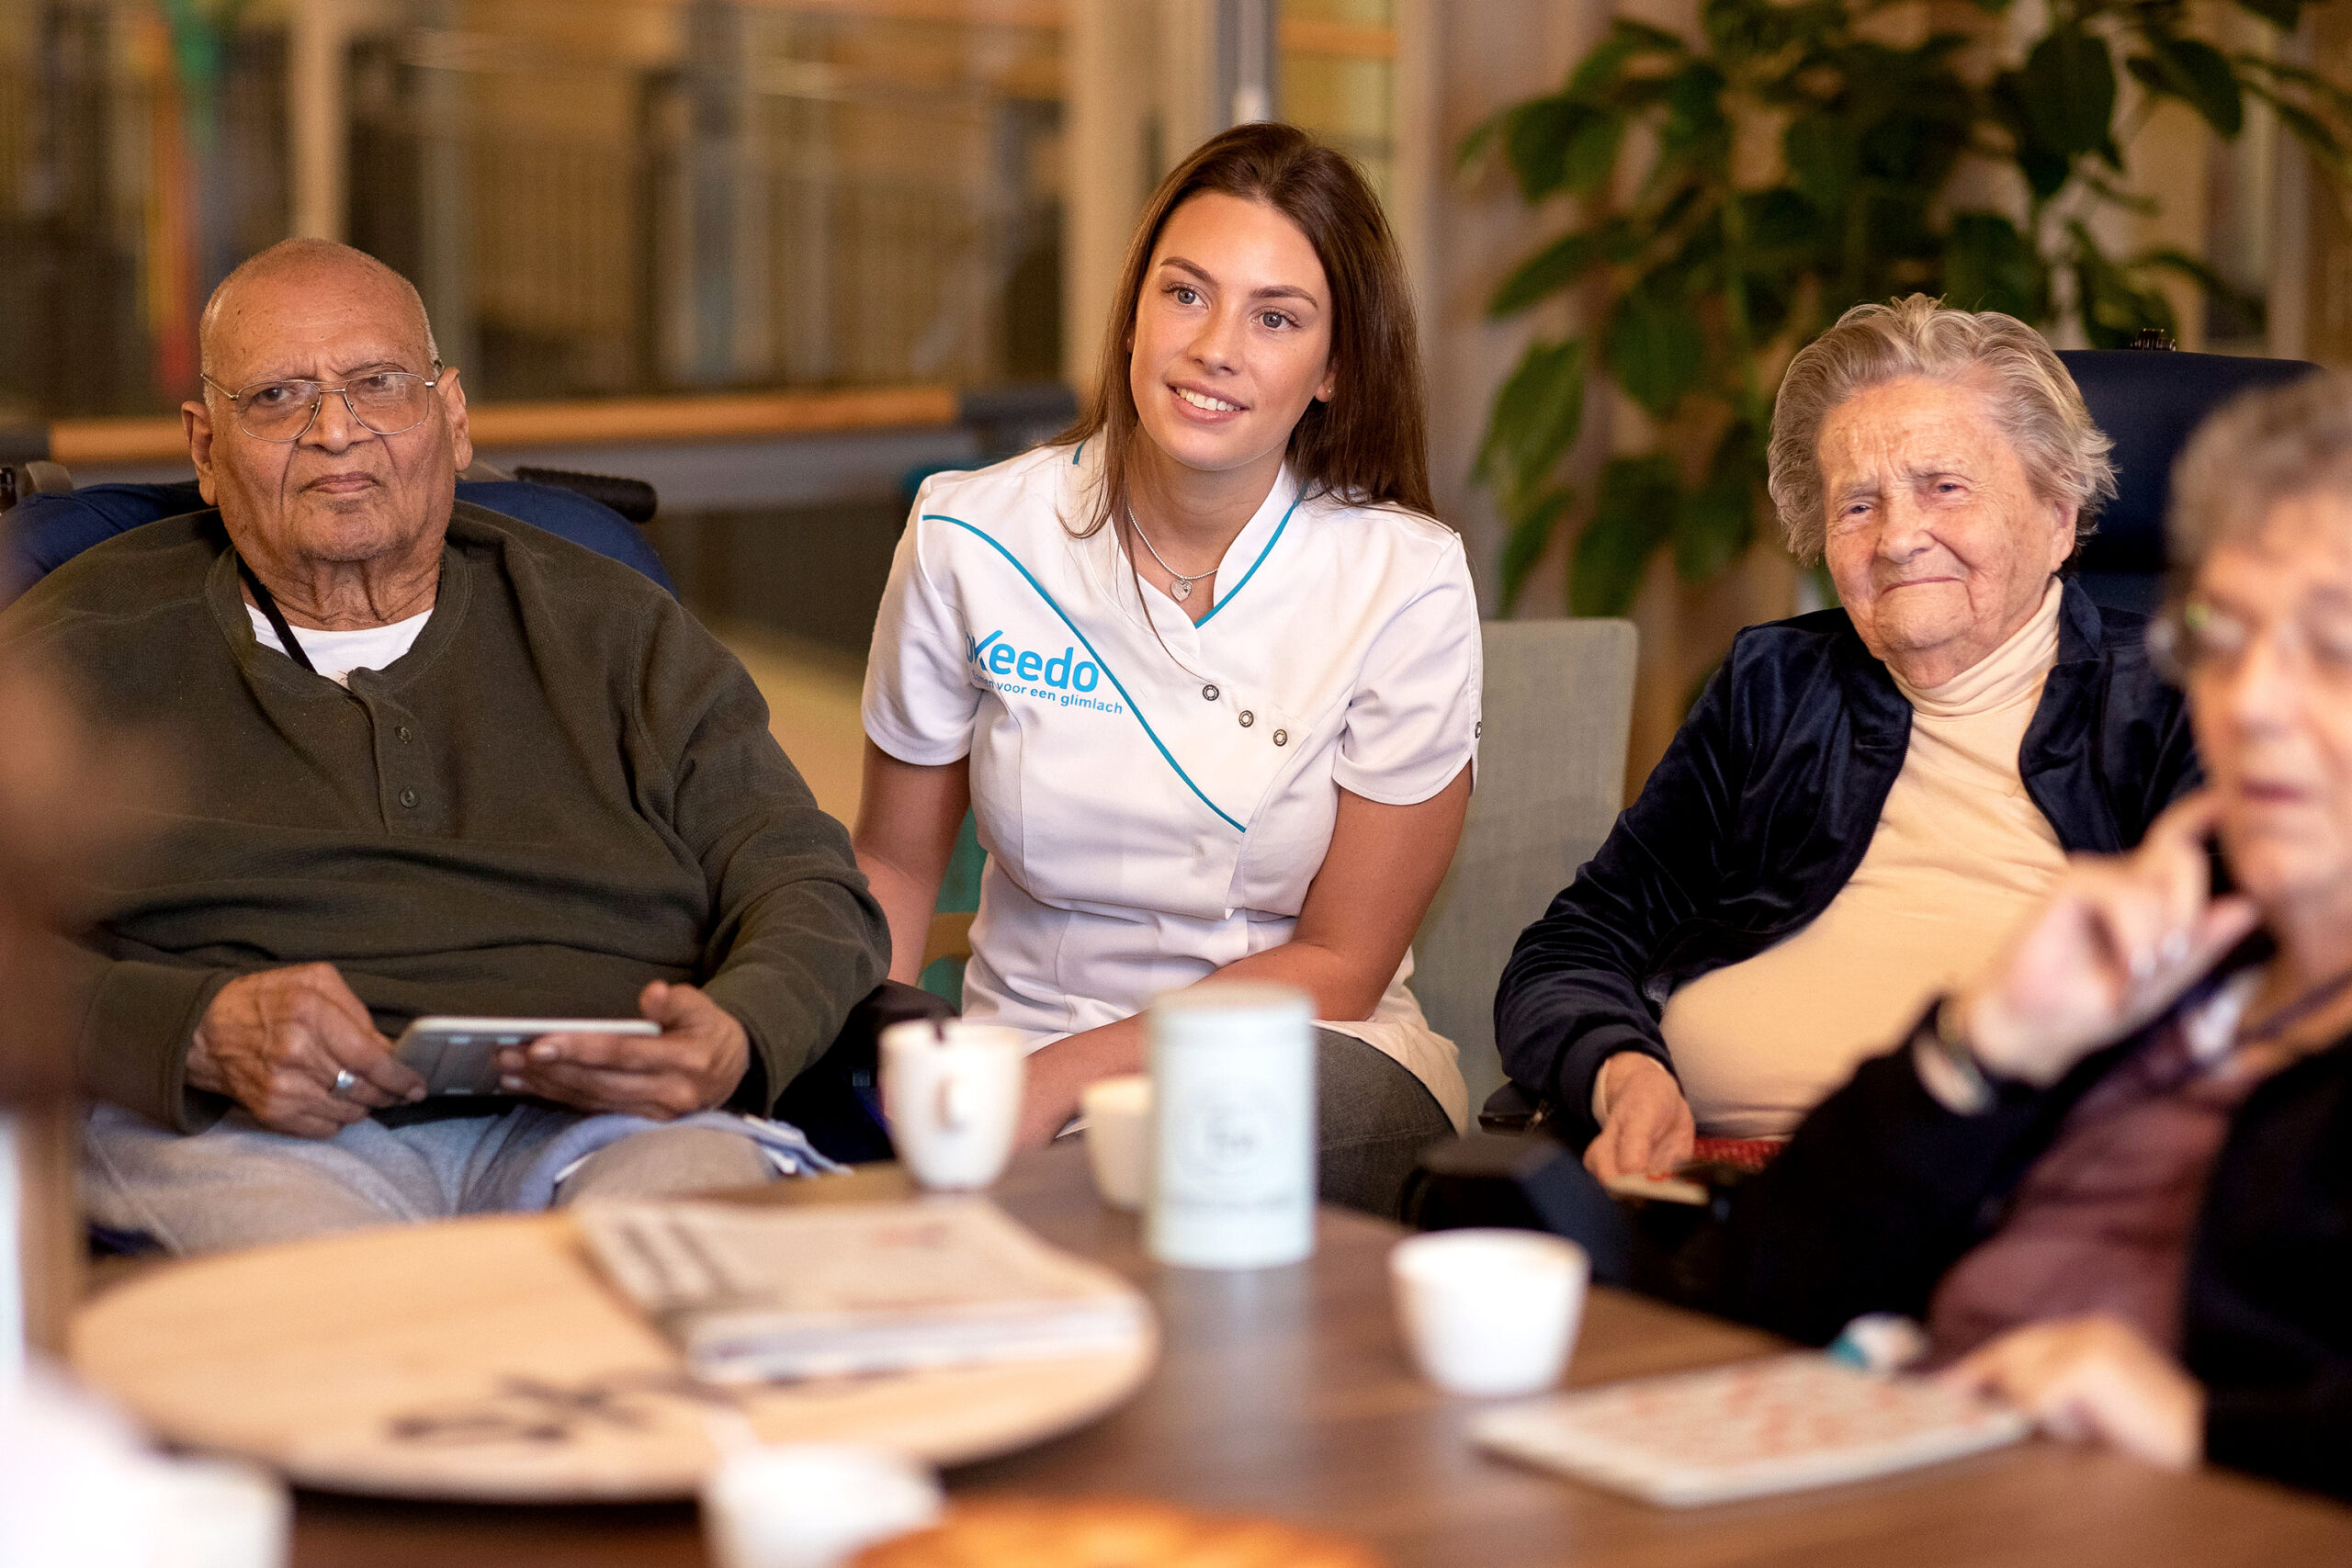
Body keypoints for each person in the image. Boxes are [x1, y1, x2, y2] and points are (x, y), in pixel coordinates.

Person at [1, 240, 889, 1256]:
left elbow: (809, 883)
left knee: (696, 1266)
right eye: (280, 396)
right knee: (352, 1330)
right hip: (241, 1139)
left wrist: (736, 1032)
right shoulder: (78, 640)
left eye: (377, 384)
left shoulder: (616, 628)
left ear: (453, 417)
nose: (336, 431)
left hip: (611, 1125)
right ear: (205, 448)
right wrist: (186, 1027)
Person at [1702, 369, 2352, 1495]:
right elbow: (1748, 1291)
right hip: (1881, 1463)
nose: (2249, 701)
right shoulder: (2172, 960)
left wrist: (2198, 1429)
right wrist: (1978, 1051)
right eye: (2224, 638)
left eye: (2330, 647)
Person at [854, 123, 1480, 1217]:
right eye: (1186, 295)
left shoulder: (1404, 581)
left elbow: (1341, 959)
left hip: (1302, 1061)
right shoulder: (972, 537)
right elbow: (896, 864)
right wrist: (875, 1064)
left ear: (1334, 368)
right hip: (1013, 1051)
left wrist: (1056, 1084)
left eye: (1274, 317)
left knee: (1195, 1156)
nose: (1215, 348)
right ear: (1135, 309)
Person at [1495, 296, 2199, 1179]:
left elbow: (2239, 998)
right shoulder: (1774, 687)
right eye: (1858, 505)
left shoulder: (2170, 697)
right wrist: (1621, 1072)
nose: (1900, 538)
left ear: (2058, 515)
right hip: (1709, 1184)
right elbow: (1572, 947)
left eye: (1945, 486)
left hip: (2014, 1194)